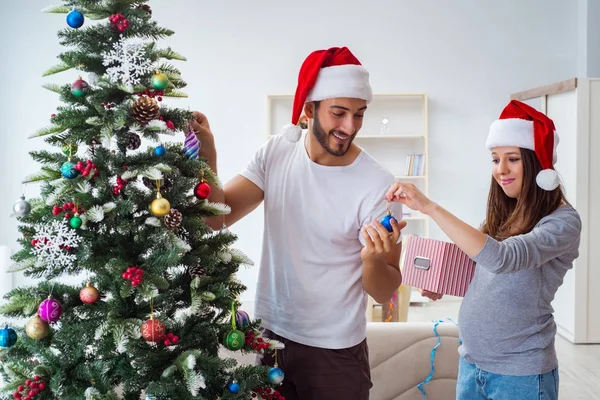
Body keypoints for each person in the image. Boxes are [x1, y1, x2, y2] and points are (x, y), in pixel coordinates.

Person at [190, 46, 406, 400]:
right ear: (309, 110)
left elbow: (384, 292)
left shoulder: (379, 186)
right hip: (271, 337)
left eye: (359, 114)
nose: (349, 127)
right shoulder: (276, 153)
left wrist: (372, 260)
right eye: (339, 113)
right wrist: (207, 152)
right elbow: (218, 217)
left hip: (335, 353)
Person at [385, 99, 581, 400]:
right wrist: (444, 281)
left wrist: (429, 207)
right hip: (472, 365)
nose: (501, 169)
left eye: (512, 158)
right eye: (495, 159)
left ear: (537, 163)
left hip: (521, 375)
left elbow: (502, 258)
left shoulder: (562, 222)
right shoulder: (503, 214)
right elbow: (481, 265)